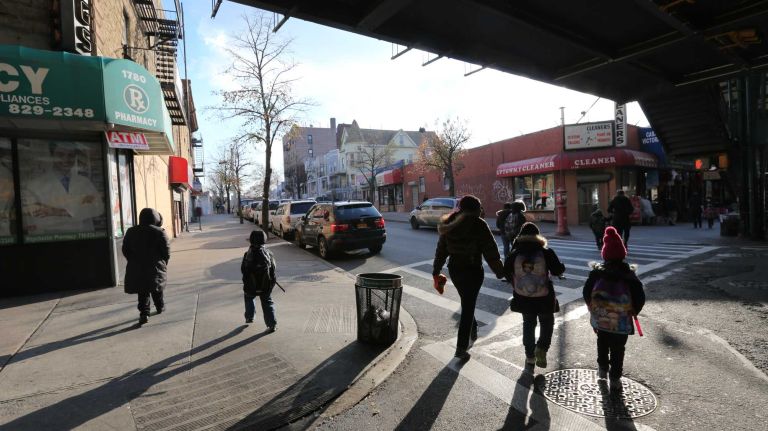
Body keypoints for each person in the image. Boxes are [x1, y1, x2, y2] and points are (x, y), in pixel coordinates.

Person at [433, 195, 504, 360]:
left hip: (455, 270)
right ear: (475, 208)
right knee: (468, 307)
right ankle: (461, 347)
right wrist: (500, 272)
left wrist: (436, 270)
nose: (481, 210)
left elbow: (441, 250)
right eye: (479, 207)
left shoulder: (449, 223)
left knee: (467, 301)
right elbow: (490, 251)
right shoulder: (479, 225)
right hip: (473, 270)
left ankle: (473, 328)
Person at [582, 227, 645, 391]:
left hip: (601, 317)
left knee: (602, 342)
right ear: (623, 253)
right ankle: (615, 378)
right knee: (618, 348)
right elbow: (639, 296)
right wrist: (634, 310)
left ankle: (602, 369)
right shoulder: (629, 275)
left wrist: (591, 307)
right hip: (622, 320)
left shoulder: (597, 273)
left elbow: (586, 291)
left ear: (605, 253)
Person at [504, 222, 565, 369]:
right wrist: (561, 267)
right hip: (544, 297)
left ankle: (530, 356)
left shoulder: (514, 253)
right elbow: (557, 270)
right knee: (547, 322)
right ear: (538, 236)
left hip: (523, 298)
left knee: (528, 324)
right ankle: (542, 348)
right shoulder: (546, 252)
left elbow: (505, 273)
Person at [23, 142, 104, 235]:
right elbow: (37, 221)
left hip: (83, 238)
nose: (66, 159)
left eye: (71, 155)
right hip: (52, 239)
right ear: (52, 155)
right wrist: (78, 213)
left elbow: (98, 208)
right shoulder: (34, 185)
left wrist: (57, 212)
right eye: (60, 155)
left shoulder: (84, 182)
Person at [122, 208, 171, 325]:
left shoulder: (131, 231)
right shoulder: (160, 232)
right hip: (155, 266)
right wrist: (164, 262)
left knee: (142, 291)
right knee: (157, 288)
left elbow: (125, 249)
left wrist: (133, 260)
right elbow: (166, 252)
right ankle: (160, 306)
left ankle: (144, 313)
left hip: (137, 266)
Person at [241, 230, 277, 332]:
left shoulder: (247, 255)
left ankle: (249, 316)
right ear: (264, 240)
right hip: (265, 285)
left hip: (250, 286)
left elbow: (243, 270)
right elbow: (273, 270)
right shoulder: (269, 254)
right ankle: (271, 325)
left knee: (248, 297)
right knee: (267, 302)